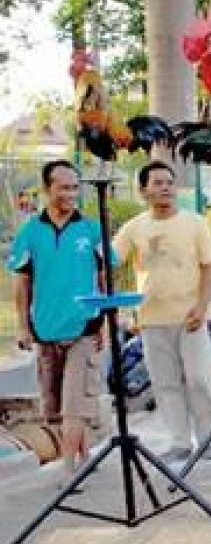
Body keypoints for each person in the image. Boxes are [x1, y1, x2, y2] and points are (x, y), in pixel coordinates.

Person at [113, 161, 211, 463]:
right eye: (158, 183)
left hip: (191, 317)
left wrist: (202, 306)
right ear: (144, 190)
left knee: (199, 379)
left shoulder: (195, 223)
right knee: (165, 383)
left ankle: (209, 439)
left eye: (169, 182)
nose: (165, 188)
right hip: (151, 319)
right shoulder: (135, 227)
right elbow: (110, 260)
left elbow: (210, 265)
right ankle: (179, 442)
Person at [8, 160, 108, 476]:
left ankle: (69, 471)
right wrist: (24, 325)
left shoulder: (92, 229)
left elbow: (106, 277)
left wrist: (104, 321)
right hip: (46, 331)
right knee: (54, 407)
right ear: (47, 189)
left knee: (74, 405)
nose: (71, 194)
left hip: (84, 328)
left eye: (75, 187)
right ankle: (84, 458)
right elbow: (22, 283)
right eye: (64, 187)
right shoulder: (30, 232)